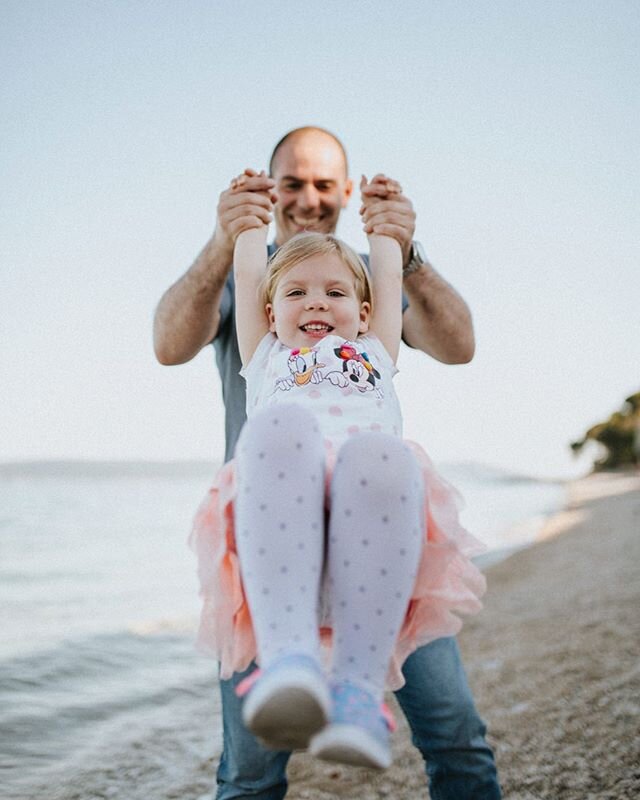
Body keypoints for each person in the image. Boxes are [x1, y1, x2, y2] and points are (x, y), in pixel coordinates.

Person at [154, 127, 502, 799]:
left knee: (456, 731)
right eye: (291, 183)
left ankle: (356, 695)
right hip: (272, 539)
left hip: (379, 537)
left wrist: (398, 242)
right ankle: (290, 668)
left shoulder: (365, 317)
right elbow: (169, 344)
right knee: (251, 771)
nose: (317, 303)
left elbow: (459, 345)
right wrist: (234, 236)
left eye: (323, 185)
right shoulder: (262, 314)